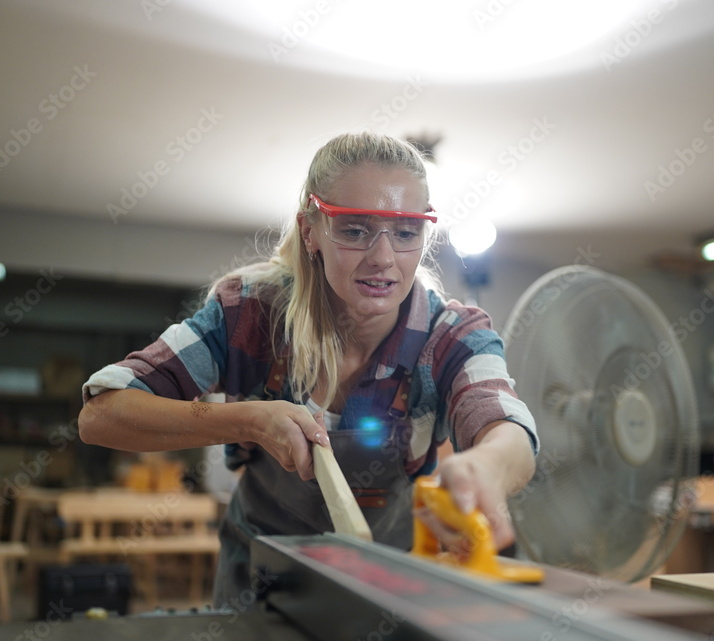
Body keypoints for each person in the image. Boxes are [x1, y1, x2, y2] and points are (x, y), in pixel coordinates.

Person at [78, 132, 539, 605]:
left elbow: (506, 426)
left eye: (405, 232)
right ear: (310, 231)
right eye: (355, 230)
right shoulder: (248, 313)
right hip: (260, 585)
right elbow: (102, 415)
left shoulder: (452, 335)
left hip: (386, 587)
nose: (383, 258)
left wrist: (486, 465)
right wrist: (249, 420)